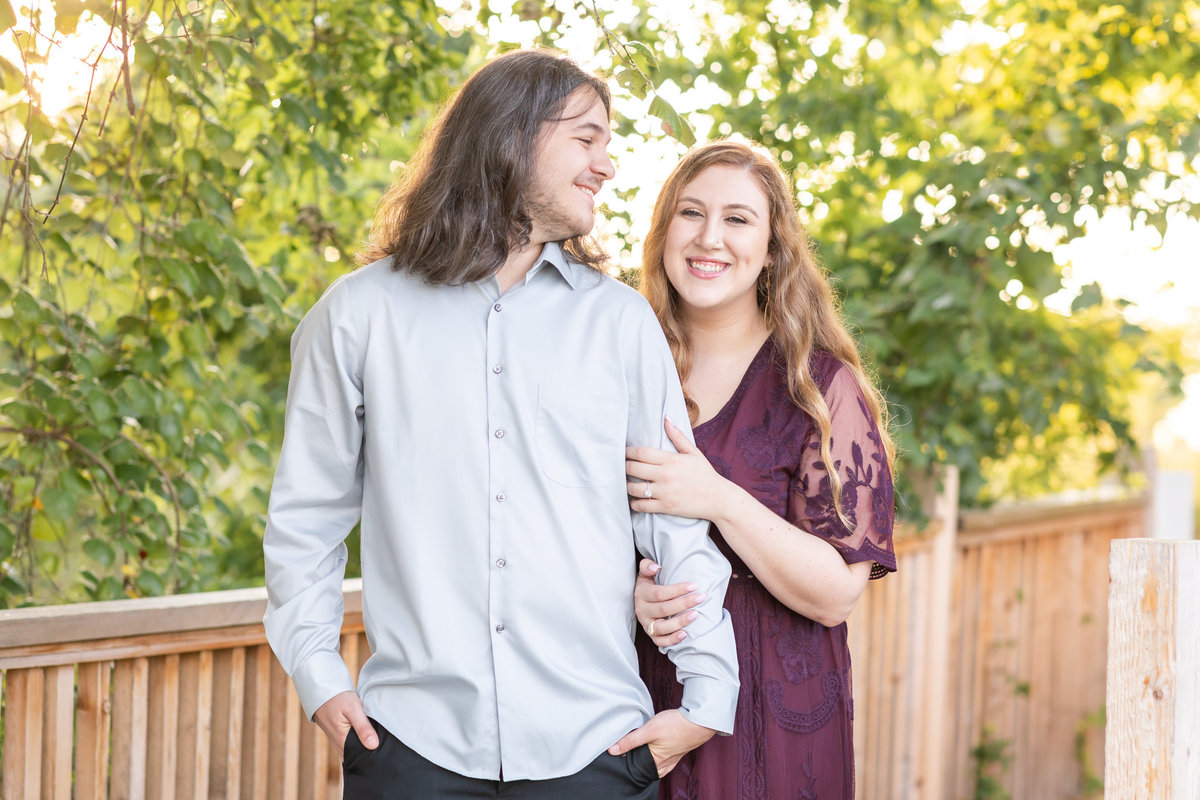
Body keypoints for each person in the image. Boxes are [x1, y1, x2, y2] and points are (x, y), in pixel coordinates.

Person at [261, 49, 739, 800]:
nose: (605, 166)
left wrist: (708, 699)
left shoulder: (619, 324)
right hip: (409, 749)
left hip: (598, 753)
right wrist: (320, 679)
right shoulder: (356, 316)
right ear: (512, 136)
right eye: (587, 138)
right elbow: (306, 522)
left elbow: (671, 519)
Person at [624, 139, 896, 800]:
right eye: (690, 213)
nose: (709, 237)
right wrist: (630, 595)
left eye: (738, 219)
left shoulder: (822, 390)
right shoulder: (619, 369)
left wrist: (716, 498)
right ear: (664, 233)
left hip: (780, 717)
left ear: (772, 247)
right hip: (636, 700)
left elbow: (836, 592)